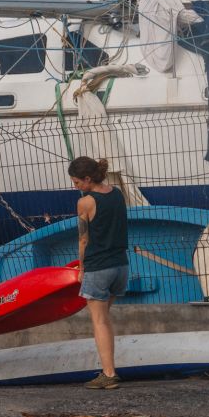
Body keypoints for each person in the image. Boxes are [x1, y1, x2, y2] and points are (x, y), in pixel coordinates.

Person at [70, 155, 128, 389]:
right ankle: (107, 367)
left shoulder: (85, 203)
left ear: (87, 179)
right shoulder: (116, 194)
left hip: (98, 267)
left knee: (99, 321)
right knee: (105, 319)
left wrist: (81, 268)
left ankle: (109, 373)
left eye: (76, 183)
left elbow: (83, 239)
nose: (75, 187)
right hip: (121, 266)